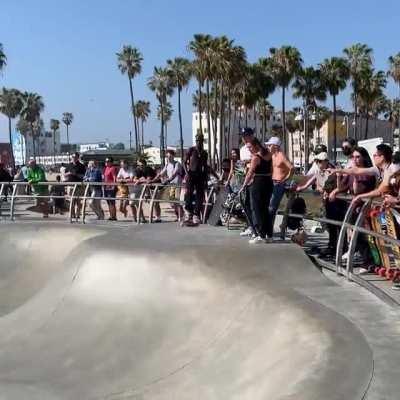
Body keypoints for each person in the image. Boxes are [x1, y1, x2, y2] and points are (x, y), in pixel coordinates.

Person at [296, 152, 340, 256]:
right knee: (329, 224)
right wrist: (300, 188)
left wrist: (326, 190)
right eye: (317, 161)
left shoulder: (332, 171)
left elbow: (335, 185)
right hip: (327, 202)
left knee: (336, 225)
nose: (318, 163)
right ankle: (332, 246)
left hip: (336, 203)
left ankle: (338, 247)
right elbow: (312, 182)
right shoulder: (318, 171)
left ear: (326, 162)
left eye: (320, 161)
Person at [238, 138, 273, 243]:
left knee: (257, 209)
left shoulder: (256, 157)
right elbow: (271, 169)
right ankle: (269, 235)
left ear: (256, 146)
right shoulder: (268, 155)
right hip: (268, 182)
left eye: (250, 147)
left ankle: (260, 234)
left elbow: (250, 173)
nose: (248, 150)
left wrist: (243, 186)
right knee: (265, 209)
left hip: (258, 183)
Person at [266, 136, 294, 233]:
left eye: (270, 145)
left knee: (272, 207)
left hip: (279, 184)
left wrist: (285, 179)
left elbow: (292, 168)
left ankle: (269, 229)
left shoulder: (281, 156)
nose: (268, 147)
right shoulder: (273, 156)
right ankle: (269, 228)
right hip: (272, 182)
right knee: (269, 206)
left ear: (275, 146)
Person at [183, 134, 210, 225]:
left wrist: (206, 179)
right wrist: (187, 173)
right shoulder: (191, 150)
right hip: (191, 173)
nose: (199, 142)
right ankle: (188, 212)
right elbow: (184, 162)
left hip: (200, 174)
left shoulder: (204, 152)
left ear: (203, 141)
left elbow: (205, 166)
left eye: (200, 140)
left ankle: (196, 214)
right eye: (197, 140)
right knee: (189, 193)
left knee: (200, 195)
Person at [150, 149, 184, 221]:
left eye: (170, 156)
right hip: (170, 185)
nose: (168, 158)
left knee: (175, 201)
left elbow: (174, 174)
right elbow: (161, 174)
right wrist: (152, 180)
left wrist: (167, 180)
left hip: (177, 184)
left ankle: (181, 216)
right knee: (172, 202)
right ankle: (179, 215)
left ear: (173, 156)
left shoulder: (177, 164)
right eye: (167, 156)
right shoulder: (167, 165)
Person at [133, 158, 161, 222]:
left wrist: (139, 180)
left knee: (155, 202)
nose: (140, 166)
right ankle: (156, 216)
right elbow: (134, 179)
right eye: (138, 165)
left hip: (156, 186)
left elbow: (148, 180)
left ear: (145, 165)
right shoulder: (138, 170)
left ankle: (158, 217)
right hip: (149, 187)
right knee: (152, 202)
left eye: (141, 165)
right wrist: (139, 180)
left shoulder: (148, 169)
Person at [64, 152, 86, 219]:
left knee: (78, 201)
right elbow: (64, 174)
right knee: (71, 201)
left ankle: (77, 214)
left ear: (78, 158)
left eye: (75, 157)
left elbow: (84, 176)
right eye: (73, 157)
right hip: (70, 185)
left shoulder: (81, 166)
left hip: (78, 185)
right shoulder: (69, 165)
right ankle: (72, 214)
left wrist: (76, 174)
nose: (74, 158)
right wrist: (69, 173)